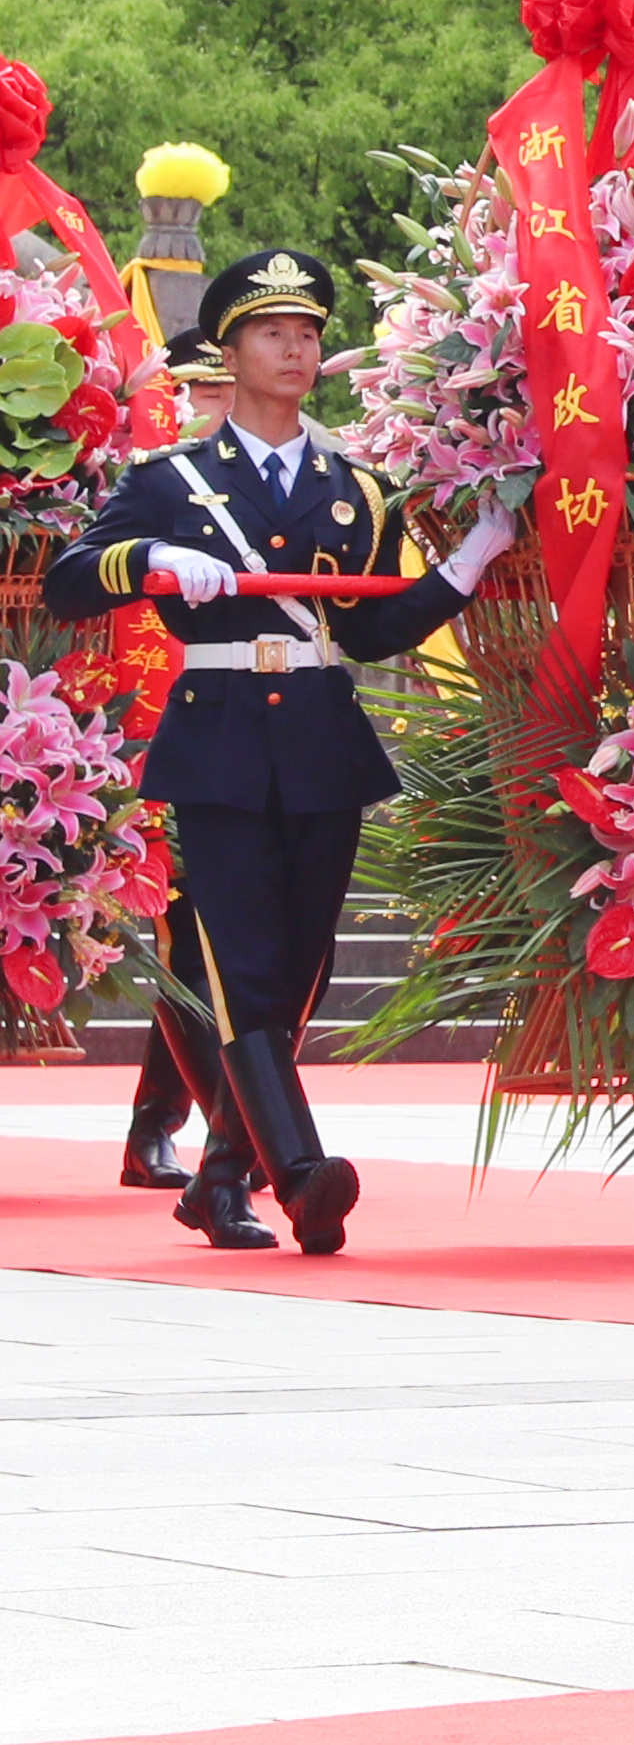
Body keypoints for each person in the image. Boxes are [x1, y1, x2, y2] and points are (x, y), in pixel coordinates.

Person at [49, 251, 514, 1255]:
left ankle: (221, 1179)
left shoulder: (357, 490)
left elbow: (369, 632)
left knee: (302, 964)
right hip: (217, 733)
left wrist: (468, 564)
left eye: (306, 333)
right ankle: (299, 1175)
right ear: (229, 350)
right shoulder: (170, 482)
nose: (295, 348)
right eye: (272, 332)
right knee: (240, 964)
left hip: (316, 733)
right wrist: (153, 560)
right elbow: (69, 581)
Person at [105, 325, 238, 1194]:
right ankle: (235, 1133)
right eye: (191, 392)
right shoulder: (144, 486)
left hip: (233, 732)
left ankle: (167, 1124)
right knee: (179, 941)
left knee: (211, 948)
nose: (204, 409)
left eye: (215, 390)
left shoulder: (258, 483)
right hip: (140, 735)